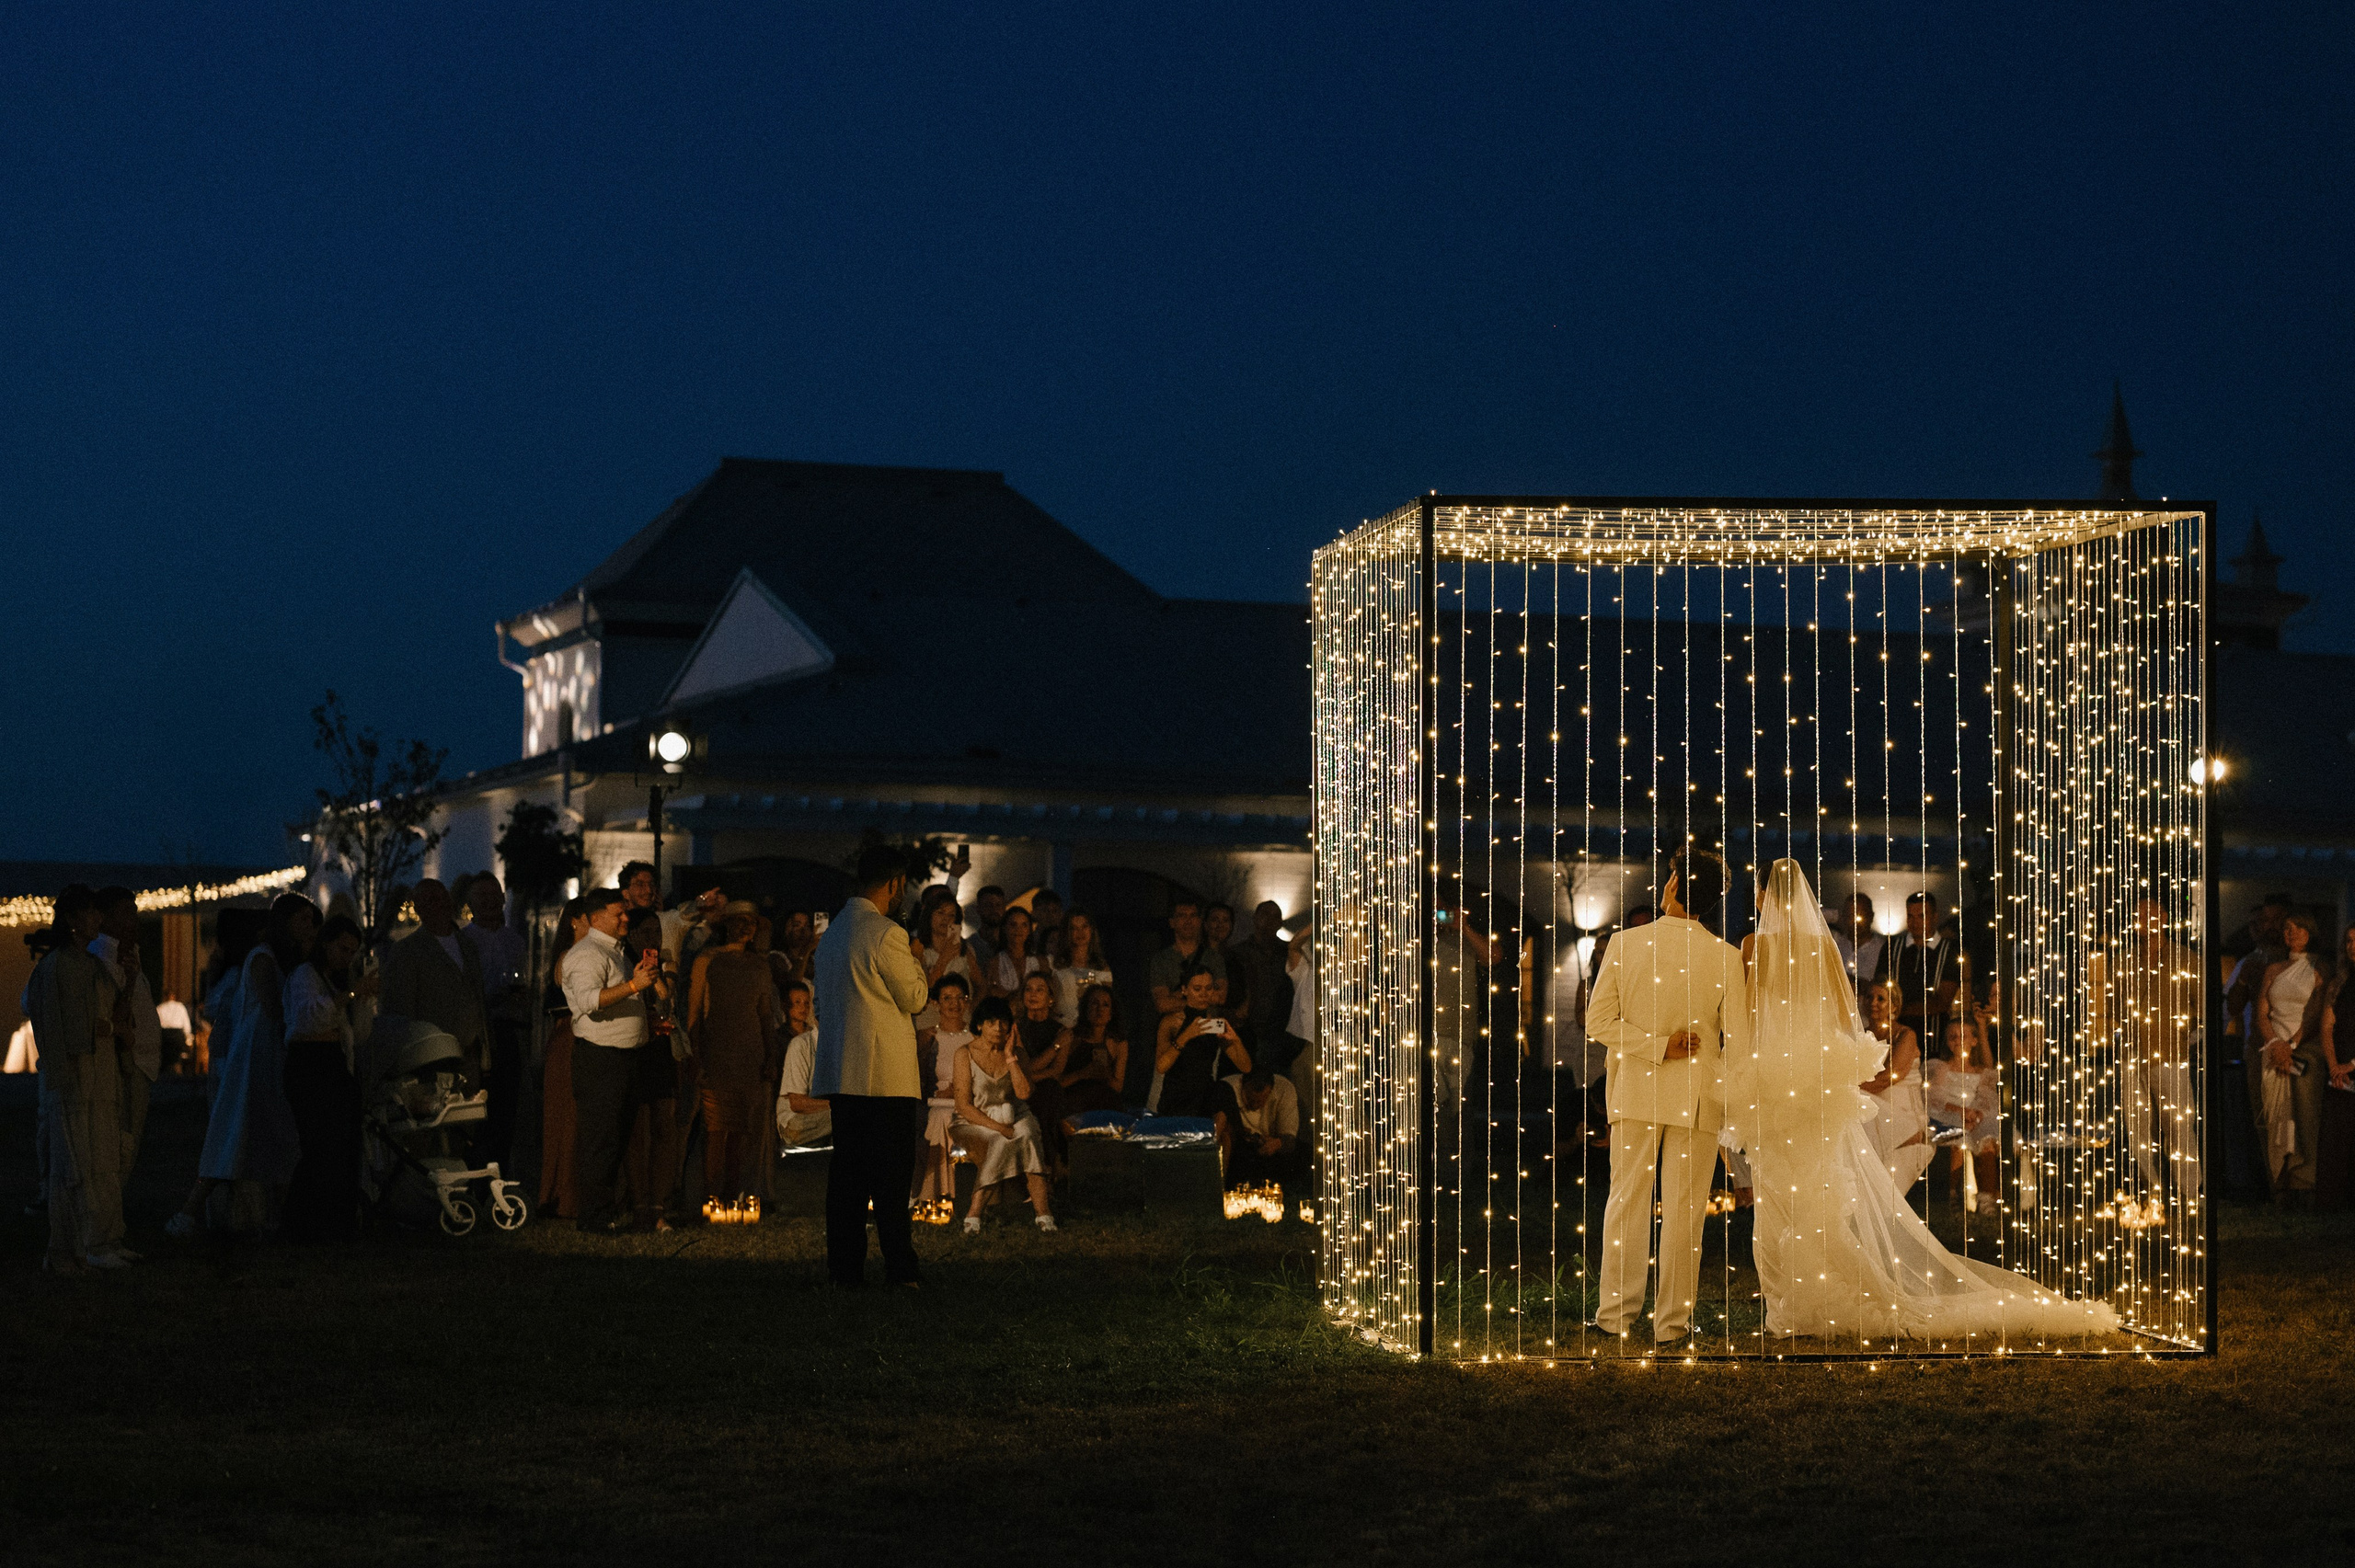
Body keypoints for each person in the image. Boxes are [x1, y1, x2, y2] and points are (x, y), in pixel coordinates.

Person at [1728, 858, 2116, 1341]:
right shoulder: (1821, 949)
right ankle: (1809, 1290)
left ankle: (1791, 1297)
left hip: (1772, 1079)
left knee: (1779, 1186)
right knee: (1815, 1180)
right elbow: (1845, 1015)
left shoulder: (1751, 947)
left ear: (1765, 896)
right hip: (1812, 1080)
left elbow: (1744, 1020)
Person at [1584, 850, 1748, 1347]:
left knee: (1626, 1202)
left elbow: (1598, 1024)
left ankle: (1614, 1315)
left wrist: (1654, 1048)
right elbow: (1738, 1040)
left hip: (1636, 1091)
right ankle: (1672, 1324)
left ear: (1673, 887)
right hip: (1700, 1098)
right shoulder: (1724, 956)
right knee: (1684, 1210)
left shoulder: (1624, 944)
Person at [810, 844, 932, 1288]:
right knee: (890, 1182)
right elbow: (915, 998)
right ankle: (901, 1269)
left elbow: (822, 1007)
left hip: (843, 1072)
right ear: (895, 883)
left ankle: (844, 1270)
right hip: (886, 1078)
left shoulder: (834, 933)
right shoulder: (886, 934)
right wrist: (918, 961)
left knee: (847, 1179)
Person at [178, 893, 317, 1242]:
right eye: (302, 919)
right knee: (240, 1132)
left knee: (272, 1135)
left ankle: (279, 1216)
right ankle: (190, 1213)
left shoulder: (286, 960)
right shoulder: (264, 959)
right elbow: (273, 1009)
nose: (309, 927)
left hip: (271, 1054)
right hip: (257, 1057)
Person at [25, 886, 126, 1273]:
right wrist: (64, 1076)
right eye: (90, 912)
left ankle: (92, 1242)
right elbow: (52, 1026)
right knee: (72, 1164)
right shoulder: (55, 968)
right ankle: (67, 1249)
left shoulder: (91, 966)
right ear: (72, 919)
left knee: (96, 1158)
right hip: (73, 1078)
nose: (98, 919)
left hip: (97, 1075)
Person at [559, 887, 665, 1235]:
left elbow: (619, 996)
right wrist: (634, 986)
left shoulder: (615, 952)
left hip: (624, 1057)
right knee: (600, 1139)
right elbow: (590, 1001)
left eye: (625, 913)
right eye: (618, 913)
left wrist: (641, 998)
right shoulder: (587, 954)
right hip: (602, 1059)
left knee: (615, 1138)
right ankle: (593, 1217)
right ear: (594, 918)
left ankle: (604, 1211)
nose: (625, 918)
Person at [2093, 898, 2201, 1220]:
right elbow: (2111, 1008)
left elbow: (2202, 1007)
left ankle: (2188, 1194)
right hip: (2131, 1055)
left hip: (2171, 1054)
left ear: (2164, 918)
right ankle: (2152, 1192)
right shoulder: (2123, 961)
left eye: (2152, 914)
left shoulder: (2186, 959)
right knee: (2138, 1129)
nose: (2145, 920)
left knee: (2178, 1127)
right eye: (2138, 915)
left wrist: (2188, 1040)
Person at [686, 901, 782, 1204]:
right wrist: (696, 1057)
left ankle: (734, 1192)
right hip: (718, 1052)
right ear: (727, 924)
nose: (746, 927)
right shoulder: (707, 960)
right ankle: (711, 1194)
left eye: (751, 922)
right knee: (716, 1127)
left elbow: (765, 1015)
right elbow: (694, 1015)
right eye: (739, 921)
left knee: (742, 1129)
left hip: (750, 1054)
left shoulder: (759, 965)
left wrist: (770, 1055)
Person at [281, 913, 367, 1242]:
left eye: (352, 952)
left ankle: (333, 1223)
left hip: (331, 1064)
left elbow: (354, 1032)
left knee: (342, 1144)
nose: (348, 958)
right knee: (320, 1146)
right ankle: (303, 1225)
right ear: (327, 945)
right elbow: (309, 1018)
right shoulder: (306, 974)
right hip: (311, 1065)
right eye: (343, 950)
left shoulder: (333, 979)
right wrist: (354, 994)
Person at [949, 997, 1055, 1233]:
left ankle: (1043, 1214)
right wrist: (1000, 1128)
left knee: (1028, 1134)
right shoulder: (964, 1054)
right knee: (1000, 1140)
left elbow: (1024, 1093)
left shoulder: (1017, 1053)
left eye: (1003, 1022)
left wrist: (1010, 1058)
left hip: (1015, 1113)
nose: (998, 1028)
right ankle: (974, 1214)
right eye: (991, 1022)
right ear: (979, 1026)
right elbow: (963, 1106)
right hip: (974, 1118)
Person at [380, 879, 489, 1082]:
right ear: (420, 909)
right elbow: (400, 1009)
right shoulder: (407, 951)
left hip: (470, 1058)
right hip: (432, 1059)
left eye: (443, 897)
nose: (441, 904)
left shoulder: (468, 946)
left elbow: (477, 998)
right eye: (432, 900)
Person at [2255, 912, 2330, 1205]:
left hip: (2305, 1047)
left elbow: (2315, 1011)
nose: (2291, 934)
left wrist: (2293, 1044)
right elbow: (2262, 1011)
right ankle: (2280, 1181)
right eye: (2287, 929)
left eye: (2298, 929)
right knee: (2276, 1116)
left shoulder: (2319, 967)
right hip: (2274, 1047)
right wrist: (2275, 1043)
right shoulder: (2273, 968)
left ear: (2309, 933)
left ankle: (2305, 1182)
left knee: (2305, 1115)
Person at [90, 887, 161, 1197]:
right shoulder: (103, 955)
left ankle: (112, 1215)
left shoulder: (128, 951)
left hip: (139, 1060)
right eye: (126, 912)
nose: (134, 919)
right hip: (126, 1061)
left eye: (135, 911)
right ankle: (107, 1216)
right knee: (122, 1140)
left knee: (128, 1139)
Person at [463, 874, 532, 1180]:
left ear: (503, 899)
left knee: (507, 1108)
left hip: (508, 1031)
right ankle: (477, 1174)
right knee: (478, 1109)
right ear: (471, 904)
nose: (490, 902)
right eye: (482, 896)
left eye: (495, 895)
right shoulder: (465, 941)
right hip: (478, 1034)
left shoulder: (515, 940)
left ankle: (501, 1174)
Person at [1858, 981, 1932, 1196]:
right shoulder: (1861, 1035)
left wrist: (1848, 1091)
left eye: (1881, 999)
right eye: (1869, 997)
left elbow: (1891, 1075)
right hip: (1870, 1109)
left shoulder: (1905, 1035)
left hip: (1903, 1117)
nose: (1874, 1003)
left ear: (1894, 1006)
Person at [1927, 1017, 2003, 1217]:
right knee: (1957, 1141)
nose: (1958, 1040)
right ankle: (1953, 1197)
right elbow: (1935, 1096)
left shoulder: (1980, 1071)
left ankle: (1986, 1198)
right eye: (1953, 1036)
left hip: (1974, 1117)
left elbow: (1987, 1098)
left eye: (1963, 1036)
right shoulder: (1942, 1067)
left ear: (1974, 1041)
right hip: (1948, 1114)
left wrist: (1977, 1114)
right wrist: (1961, 1112)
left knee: (1987, 1142)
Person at [1152, 966, 1250, 1116]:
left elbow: (1245, 1067)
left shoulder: (1214, 1024)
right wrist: (1185, 1036)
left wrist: (1236, 1040)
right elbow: (1161, 1066)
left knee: (1223, 1091)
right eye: (1197, 989)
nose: (1204, 994)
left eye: (1209, 988)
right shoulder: (1172, 1022)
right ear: (1185, 990)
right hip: (1178, 1094)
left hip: (1204, 1093)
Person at [1873, 891, 1962, 1043]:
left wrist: (1903, 1009)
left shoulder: (1949, 951)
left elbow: (1943, 1001)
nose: (1915, 923)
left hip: (1933, 1036)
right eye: (1910, 916)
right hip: (1893, 1035)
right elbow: (1880, 986)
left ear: (1934, 917)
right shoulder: (1892, 947)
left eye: (1922, 916)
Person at [915, 974, 973, 1204]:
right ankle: (936, 1192)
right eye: (947, 998)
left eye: (960, 998)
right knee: (939, 1116)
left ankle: (940, 1193)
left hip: (968, 1100)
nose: (954, 1004)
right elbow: (918, 1078)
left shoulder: (975, 1037)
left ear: (967, 1002)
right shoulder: (928, 1036)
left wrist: (960, 1090)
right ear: (936, 1003)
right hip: (936, 1103)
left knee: (946, 1116)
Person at [2315, 926, 2355, 1211]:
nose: (2353, 946)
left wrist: (2351, 1065)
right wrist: (2333, 1066)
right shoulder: (2339, 982)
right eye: (2349, 941)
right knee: (2338, 1132)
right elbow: (2327, 1026)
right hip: (2339, 1066)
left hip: (2351, 1063)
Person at [1229, 901, 1295, 1071]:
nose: (1270, 920)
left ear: (1281, 922)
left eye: (1275, 917)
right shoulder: (1238, 953)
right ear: (1255, 918)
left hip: (1280, 1032)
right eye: (1265, 914)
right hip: (1246, 1029)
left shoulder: (1288, 953)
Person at [1214, 1069, 1304, 1193]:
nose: (1256, 1105)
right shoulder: (1227, 1089)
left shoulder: (1284, 1090)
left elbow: (1289, 1138)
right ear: (1242, 1084)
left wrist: (1277, 1143)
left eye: (1261, 1101)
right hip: (1240, 1149)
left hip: (1271, 1148)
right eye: (1250, 1100)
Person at [1051, 983, 1130, 1116]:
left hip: (1105, 1103)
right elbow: (1057, 1082)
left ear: (1111, 1014)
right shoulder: (1071, 1038)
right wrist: (1082, 1074)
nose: (1100, 1009)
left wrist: (1105, 1074)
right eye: (1094, 1003)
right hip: (1075, 1103)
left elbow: (1118, 1087)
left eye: (1105, 1005)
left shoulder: (1118, 1043)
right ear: (1086, 1009)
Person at [775, 979, 832, 1149]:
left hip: (816, 1113)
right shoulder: (797, 1043)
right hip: (796, 1118)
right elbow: (797, 1102)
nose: (803, 1007)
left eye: (806, 1003)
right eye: (797, 1002)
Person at [1147, 898, 1227, 1017]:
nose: (1188, 921)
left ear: (1199, 921)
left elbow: (1220, 997)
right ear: (1172, 922)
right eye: (1182, 916)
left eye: (1193, 916)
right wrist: (1205, 996)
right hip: (1175, 1029)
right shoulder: (1161, 960)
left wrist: (1178, 996)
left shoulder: (1214, 958)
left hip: (1208, 1026)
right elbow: (1162, 1004)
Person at [914, 897, 983, 1033]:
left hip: (961, 1022)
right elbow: (923, 991)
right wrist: (944, 959)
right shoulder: (918, 949)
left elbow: (981, 985)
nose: (945, 919)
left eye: (951, 915)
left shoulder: (965, 950)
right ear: (930, 916)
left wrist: (971, 1007)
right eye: (940, 913)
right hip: (930, 1024)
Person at [1050, 910, 1115, 1029]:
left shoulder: (1101, 968)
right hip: (1062, 1028)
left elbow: (1107, 1004)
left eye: (1084, 926)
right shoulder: (1055, 965)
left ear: (1091, 930)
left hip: (1092, 1029)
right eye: (1074, 928)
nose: (1080, 932)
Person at [1828, 894, 1885, 1002]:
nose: (1855, 921)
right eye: (1850, 916)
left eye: (1860, 915)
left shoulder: (1883, 949)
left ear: (1871, 916)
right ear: (1844, 917)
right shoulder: (1835, 945)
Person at [985, 904, 1049, 1001]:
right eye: (1013, 925)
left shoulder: (1041, 962)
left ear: (1029, 930)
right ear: (1005, 928)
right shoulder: (994, 963)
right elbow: (991, 994)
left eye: (1024, 925)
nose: (1018, 930)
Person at [965, 884, 1008, 973]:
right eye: (988, 905)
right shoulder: (969, 946)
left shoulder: (1013, 942)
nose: (994, 910)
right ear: (978, 909)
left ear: (1004, 908)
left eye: (998, 905)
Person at [774, 910, 819, 988]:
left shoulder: (814, 959)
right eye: (797, 925)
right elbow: (793, 985)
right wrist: (806, 951)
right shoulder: (776, 957)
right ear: (786, 929)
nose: (803, 931)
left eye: (807, 926)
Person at [155, 989, 192, 1076]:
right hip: (177, 1034)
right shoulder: (180, 1007)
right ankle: (178, 1075)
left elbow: (156, 1024)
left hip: (165, 1034)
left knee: (166, 1058)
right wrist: (188, 1037)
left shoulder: (160, 1008)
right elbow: (186, 1024)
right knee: (176, 1059)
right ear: (174, 996)